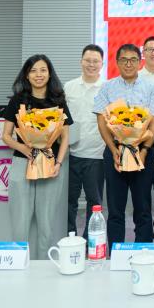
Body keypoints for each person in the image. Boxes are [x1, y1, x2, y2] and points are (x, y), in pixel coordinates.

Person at [0, 55, 72, 260]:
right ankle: (19, 264)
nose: (38, 75)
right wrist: (23, 148)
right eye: (33, 70)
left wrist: (58, 163)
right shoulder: (17, 100)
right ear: (26, 75)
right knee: (20, 222)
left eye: (42, 70)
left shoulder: (58, 101)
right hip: (22, 164)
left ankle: (43, 267)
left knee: (46, 224)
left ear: (49, 74)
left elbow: (65, 138)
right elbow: (6, 136)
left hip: (50, 165)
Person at [93, 43, 154, 244]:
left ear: (140, 62)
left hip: (143, 152)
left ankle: (143, 250)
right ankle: (116, 251)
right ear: (117, 62)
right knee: (115, 208)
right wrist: (113, 149)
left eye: (133, 60)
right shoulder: (107, 87)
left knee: (143, 207)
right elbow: (101, 120)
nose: (128, 64)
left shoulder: (151, 87)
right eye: (124, 60)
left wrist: (145, 150)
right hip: (115, 151)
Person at [64, 45, 105, 237]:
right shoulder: (69, 87)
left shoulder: (107, 88)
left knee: (94, 202)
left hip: (97, 154)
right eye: (88, 60)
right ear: (81, 61)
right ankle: (69, 236)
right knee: (68, 200)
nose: (91, 64)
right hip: (70, 153)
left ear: (102, 64)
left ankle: (90, 240)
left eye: (95, 61)